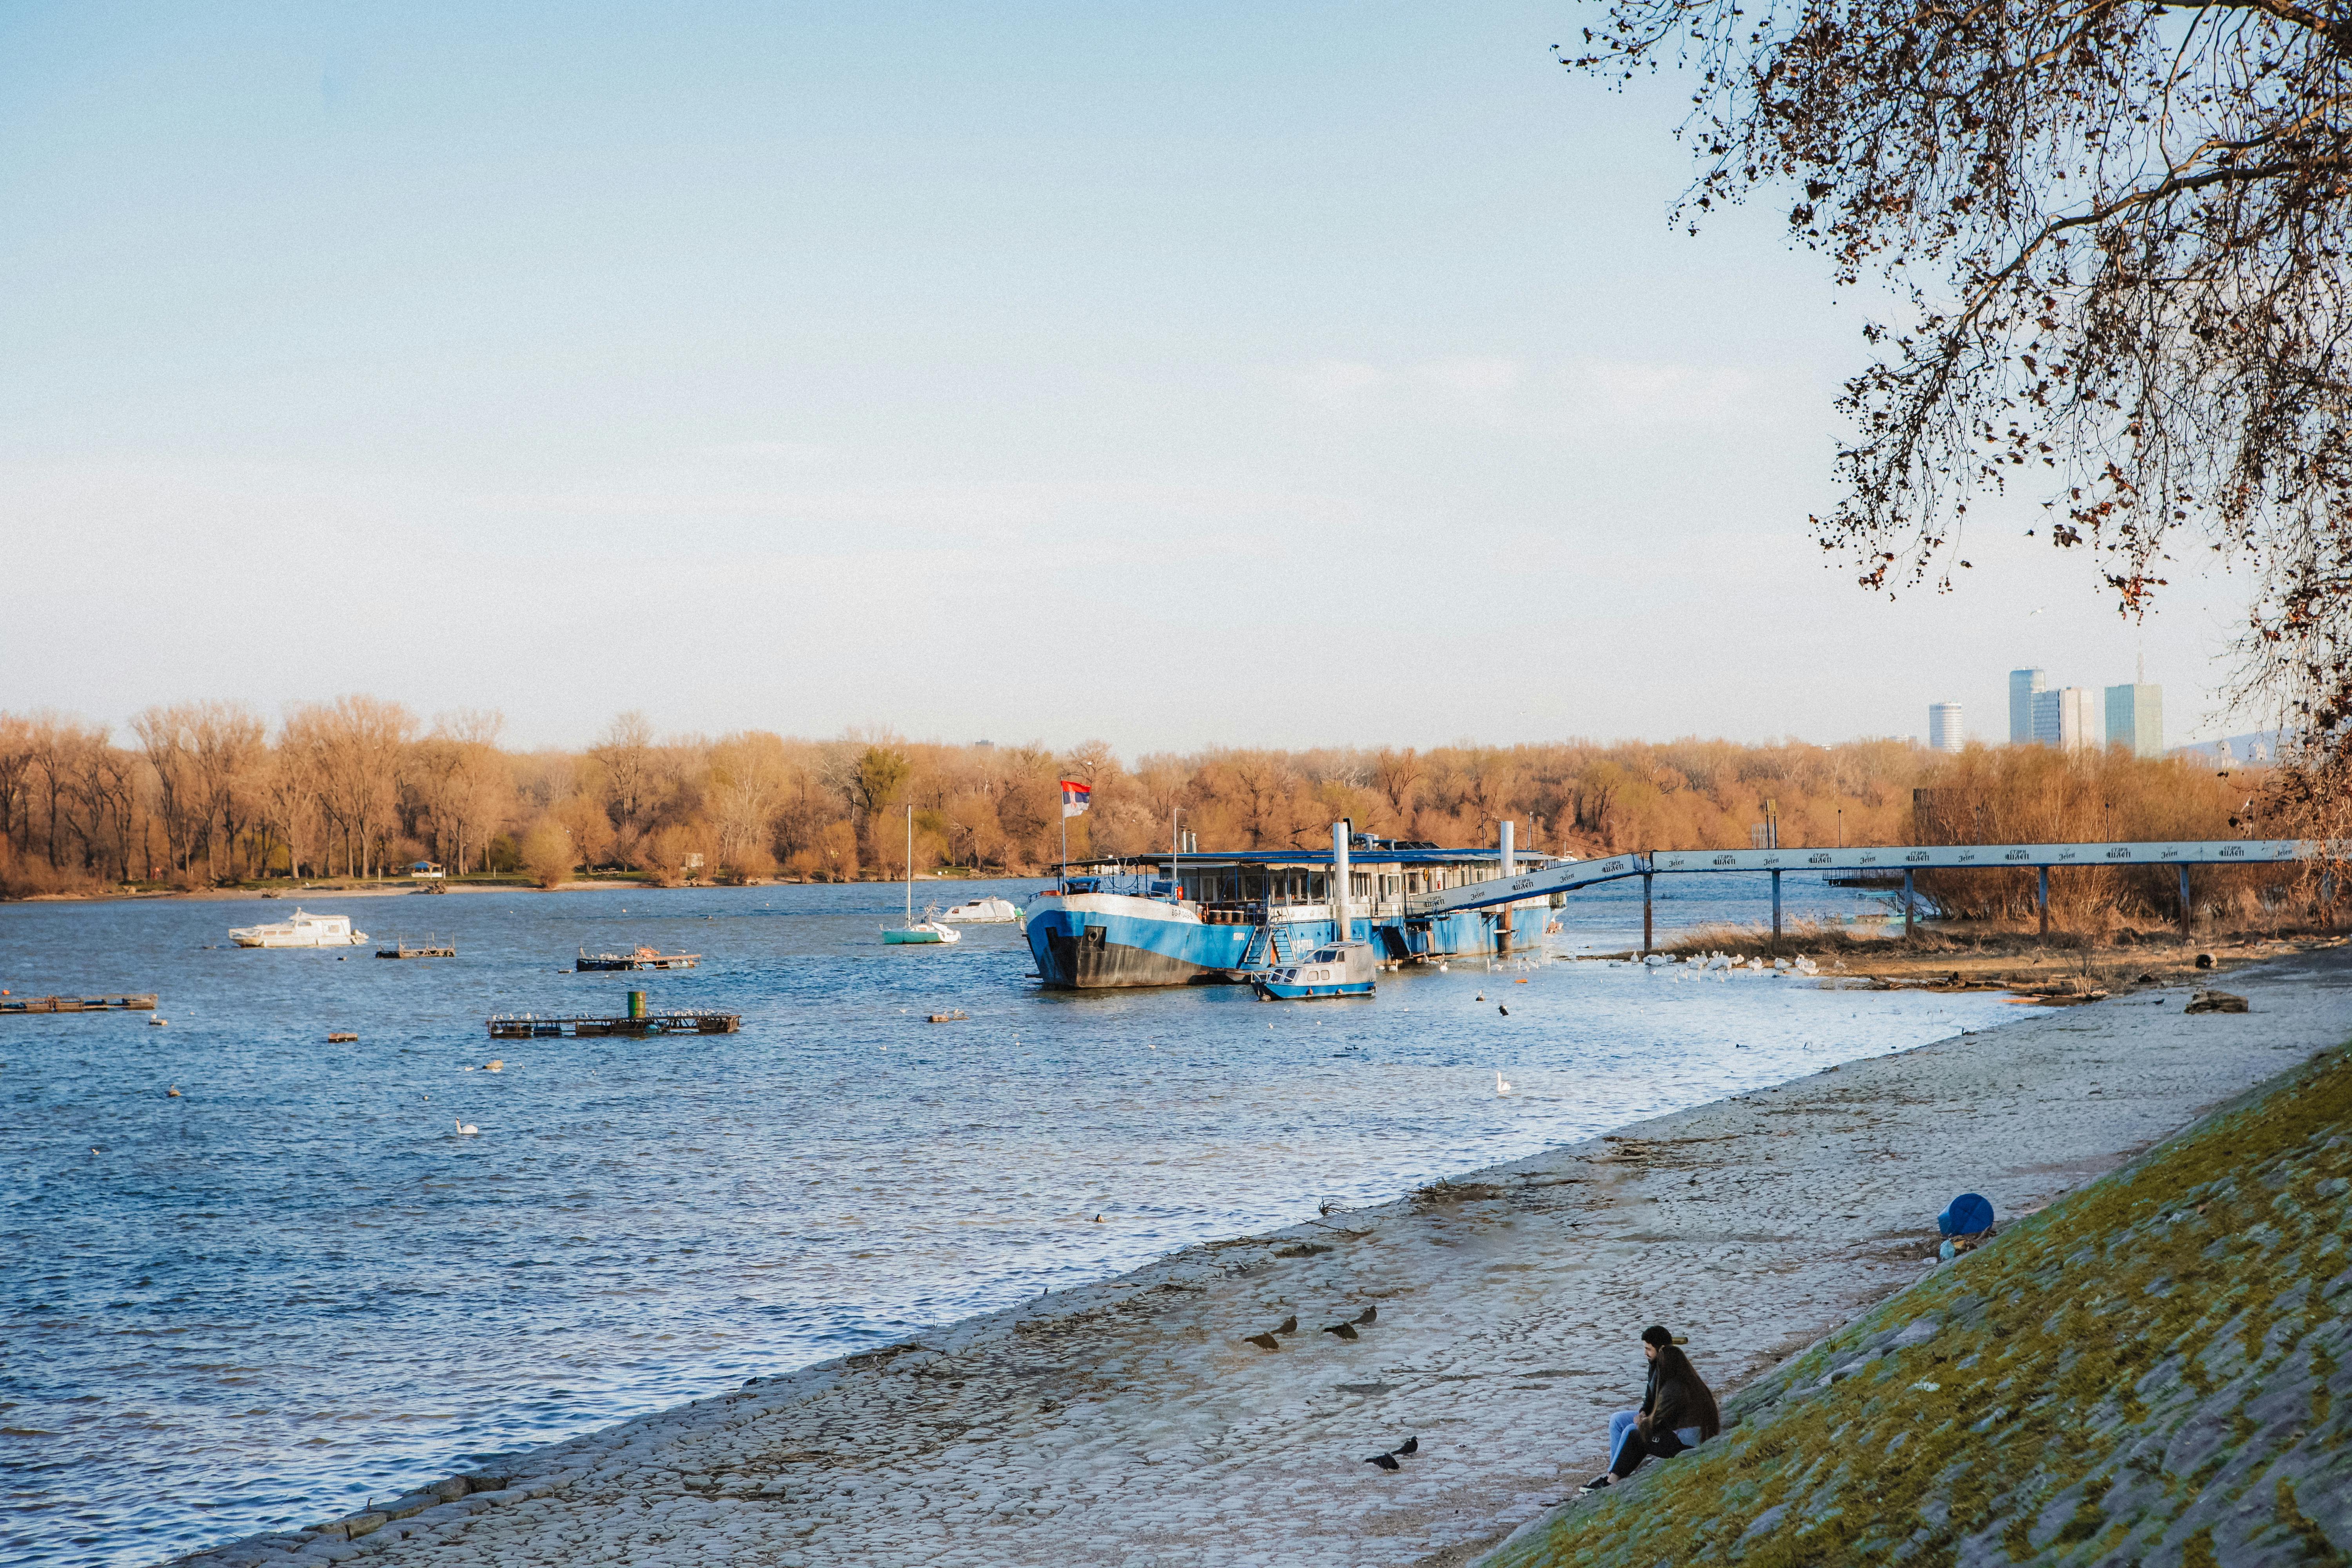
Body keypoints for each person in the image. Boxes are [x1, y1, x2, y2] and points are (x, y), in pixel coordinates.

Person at [1585, 1328, 1720, 1490]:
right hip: (1667, 1420)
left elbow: (1661, 1421)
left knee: (1633, 1432)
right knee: (1618, 1420)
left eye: (1648, 1349)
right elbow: (1651, 1400)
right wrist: (1643, 1412)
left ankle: (1613, 1480)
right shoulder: (1661, 1369)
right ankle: (1613, 1472)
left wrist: (1644, 1422)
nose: (1645, 1353)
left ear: (1661, 1350)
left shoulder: (1674, 1386)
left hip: (1685, 1438)